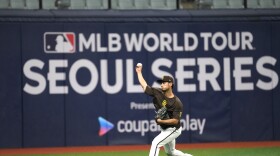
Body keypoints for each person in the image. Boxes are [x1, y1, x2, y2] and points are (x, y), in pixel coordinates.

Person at [135, 64, 193, 156]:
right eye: (161, 82)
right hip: (164, 128)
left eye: (164, 82)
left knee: (155, 143)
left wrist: (161, 120)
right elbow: (145, 86)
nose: (161, 84)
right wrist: (139, 72)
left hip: (173, 129)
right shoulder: (158, 92)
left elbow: (175, 120)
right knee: (171, 152)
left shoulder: (177, 102)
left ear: (170, 84)